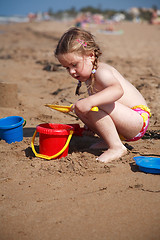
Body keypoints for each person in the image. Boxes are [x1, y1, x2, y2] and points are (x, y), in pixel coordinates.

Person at [54, 27, 151, 163]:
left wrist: (89, 102)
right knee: (81, 106)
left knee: (90, 103)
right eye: (67, 68)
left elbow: (117, 90)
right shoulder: (89, 76)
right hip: (124, 121)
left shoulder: (101, 71)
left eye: (74, 65)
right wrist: (90, 122)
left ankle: (116, 147)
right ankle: (108, 139)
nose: (72, 72)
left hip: (136, 119)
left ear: (91, 55)